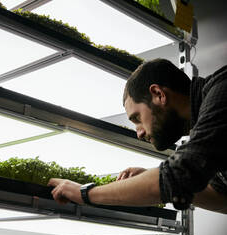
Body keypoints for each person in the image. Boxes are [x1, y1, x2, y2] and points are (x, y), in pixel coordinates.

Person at [48, 58, 227, 213]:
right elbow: (222, 199)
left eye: (137, 118)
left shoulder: (222, 91)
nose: (139, 133)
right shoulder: (210, 130)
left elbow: (177, 176)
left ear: (158, 94)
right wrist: (153, 178)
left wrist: (85, 194)